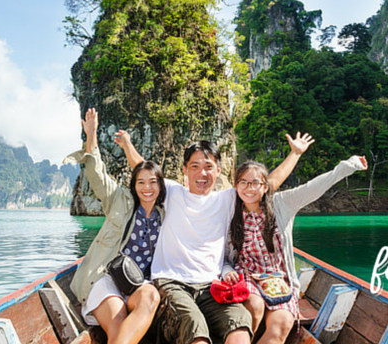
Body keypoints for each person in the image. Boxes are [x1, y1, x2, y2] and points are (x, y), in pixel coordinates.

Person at [114, 131, 314, 344]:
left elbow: (266, 184)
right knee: (195, 330)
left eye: (209, 167)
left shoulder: (227, 198)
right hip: (172, 282)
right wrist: (127, 145)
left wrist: (295, 153)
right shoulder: (171, 193)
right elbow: (144, 169)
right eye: (195, 166)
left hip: (213, 286)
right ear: (184, 170)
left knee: (240, 328)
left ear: (219, 170)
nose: (202, 173)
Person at [221, 147, 367, 344]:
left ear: (265, 186)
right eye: (244, 182)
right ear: (236, 186)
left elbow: (314, 187)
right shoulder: (230, 211)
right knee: (253, 307)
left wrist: (348, 166)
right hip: (246, 275)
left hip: (280, 280)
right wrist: (226, 270)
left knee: (281, 325)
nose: (249, 188)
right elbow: (222, 255)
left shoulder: (282, 203)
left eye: (256, 183)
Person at [66, 109, 165, 344]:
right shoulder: (119, 199)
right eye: (140, 182)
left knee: (151, 297)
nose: (147, 188)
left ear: (161, 185)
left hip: (139, 281)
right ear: (133, 185)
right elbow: (96, 174)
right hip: (106, 277)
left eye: (153, 182)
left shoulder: (166, 212)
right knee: (119, 323)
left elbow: (144, 167)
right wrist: (91, 136)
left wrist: (128, 145)